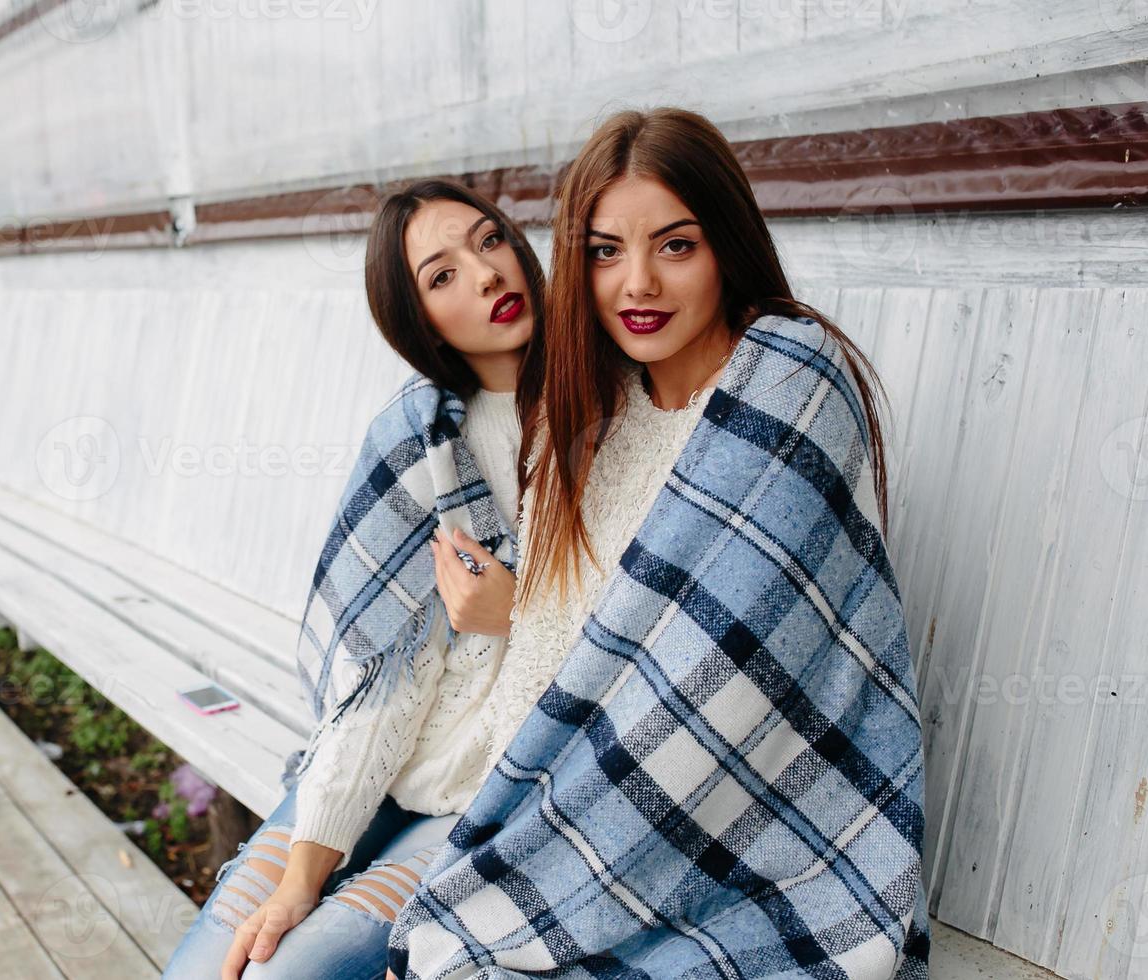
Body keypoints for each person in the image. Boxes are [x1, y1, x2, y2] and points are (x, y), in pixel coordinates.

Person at [387, 107, 928, 978]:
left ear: (727, 245)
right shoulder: (589, 416)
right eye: (604, 252)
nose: (637, 283)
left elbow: (718, 680)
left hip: (764, 837)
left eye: (675, 246)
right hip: (555, 814)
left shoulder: (787, 383)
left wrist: (513, 613)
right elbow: (558, 664)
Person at [160, 177, 544, 979]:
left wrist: (520, 612)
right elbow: (384, 680)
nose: (484, 276)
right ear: (419, 320)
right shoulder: (421, 443)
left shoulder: (604, 414)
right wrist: (301, 879)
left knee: (290, 974)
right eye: (441, 277)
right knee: (211, 969)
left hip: (499, 795)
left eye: (489, 242)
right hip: (388, 763)